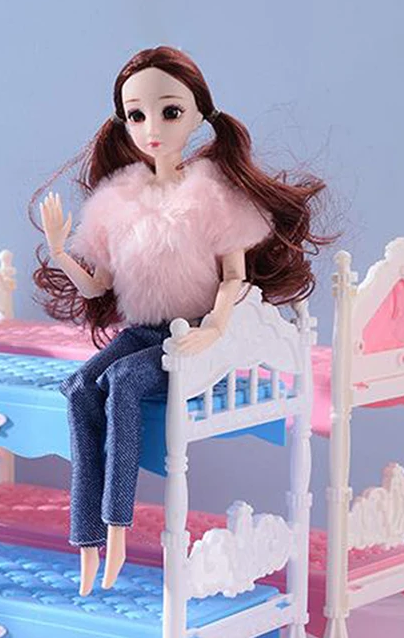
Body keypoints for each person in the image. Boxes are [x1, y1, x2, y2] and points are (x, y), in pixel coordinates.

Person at [31, 46, 331, 595]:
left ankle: (117, 528)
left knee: (123, 382)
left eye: (169, 112)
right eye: (136, 115)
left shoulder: (210, 194)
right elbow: (98, 286)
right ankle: (87, 539)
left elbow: (234, 277)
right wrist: (59, 251)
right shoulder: (118, 199)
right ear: (123, 123)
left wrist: (215, 327)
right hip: (144, 331)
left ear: (198, 116)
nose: (152, 128)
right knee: (78, 386)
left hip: (193, 335)